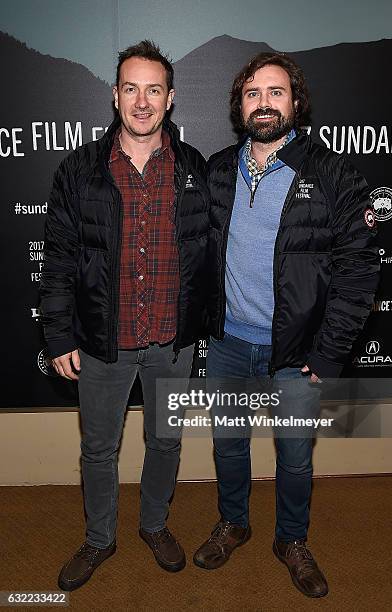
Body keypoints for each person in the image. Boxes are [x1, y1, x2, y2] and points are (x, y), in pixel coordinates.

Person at [194, 52, 379, 598]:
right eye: (253, 94)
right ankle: (234, 523)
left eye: (276, 92)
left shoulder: (332, 173)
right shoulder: (220, 169)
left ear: (295, 103)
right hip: (228, 343)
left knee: (295, 455)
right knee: (229, 445)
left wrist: (327, 354)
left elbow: (359, 268)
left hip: (296, 352)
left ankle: (291, 539)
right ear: (240, 106)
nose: (264, 103)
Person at [40, 40, 210, 591]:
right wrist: (58, 333)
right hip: (102, 343)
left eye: (153, 89)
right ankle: (99, 538)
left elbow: (211, 251)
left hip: (171, 342)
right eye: (131, 88)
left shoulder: (193, 168)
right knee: (98, 448)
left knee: (165, 442)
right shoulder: (79, 171)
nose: (142, 101)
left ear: (170, 99)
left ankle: (155, 525)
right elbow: (60, 260)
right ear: (115, 96)